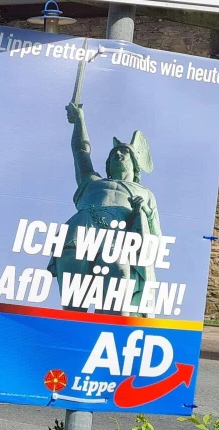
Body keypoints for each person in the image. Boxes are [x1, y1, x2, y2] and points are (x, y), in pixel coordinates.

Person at [48, 101, 162, 316]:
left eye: (123, 153)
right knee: (74, 303)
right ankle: (72, 338)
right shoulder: (91, 182)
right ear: (108, 164)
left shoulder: (146, 193)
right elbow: (81, 152)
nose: (117, 156)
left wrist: (143, 212)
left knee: (117, 293)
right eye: (113, 154)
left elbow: (155, 234)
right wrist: (79, 119)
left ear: (135, 164)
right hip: (80, 231)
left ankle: (110, 337)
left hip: (118, 239)